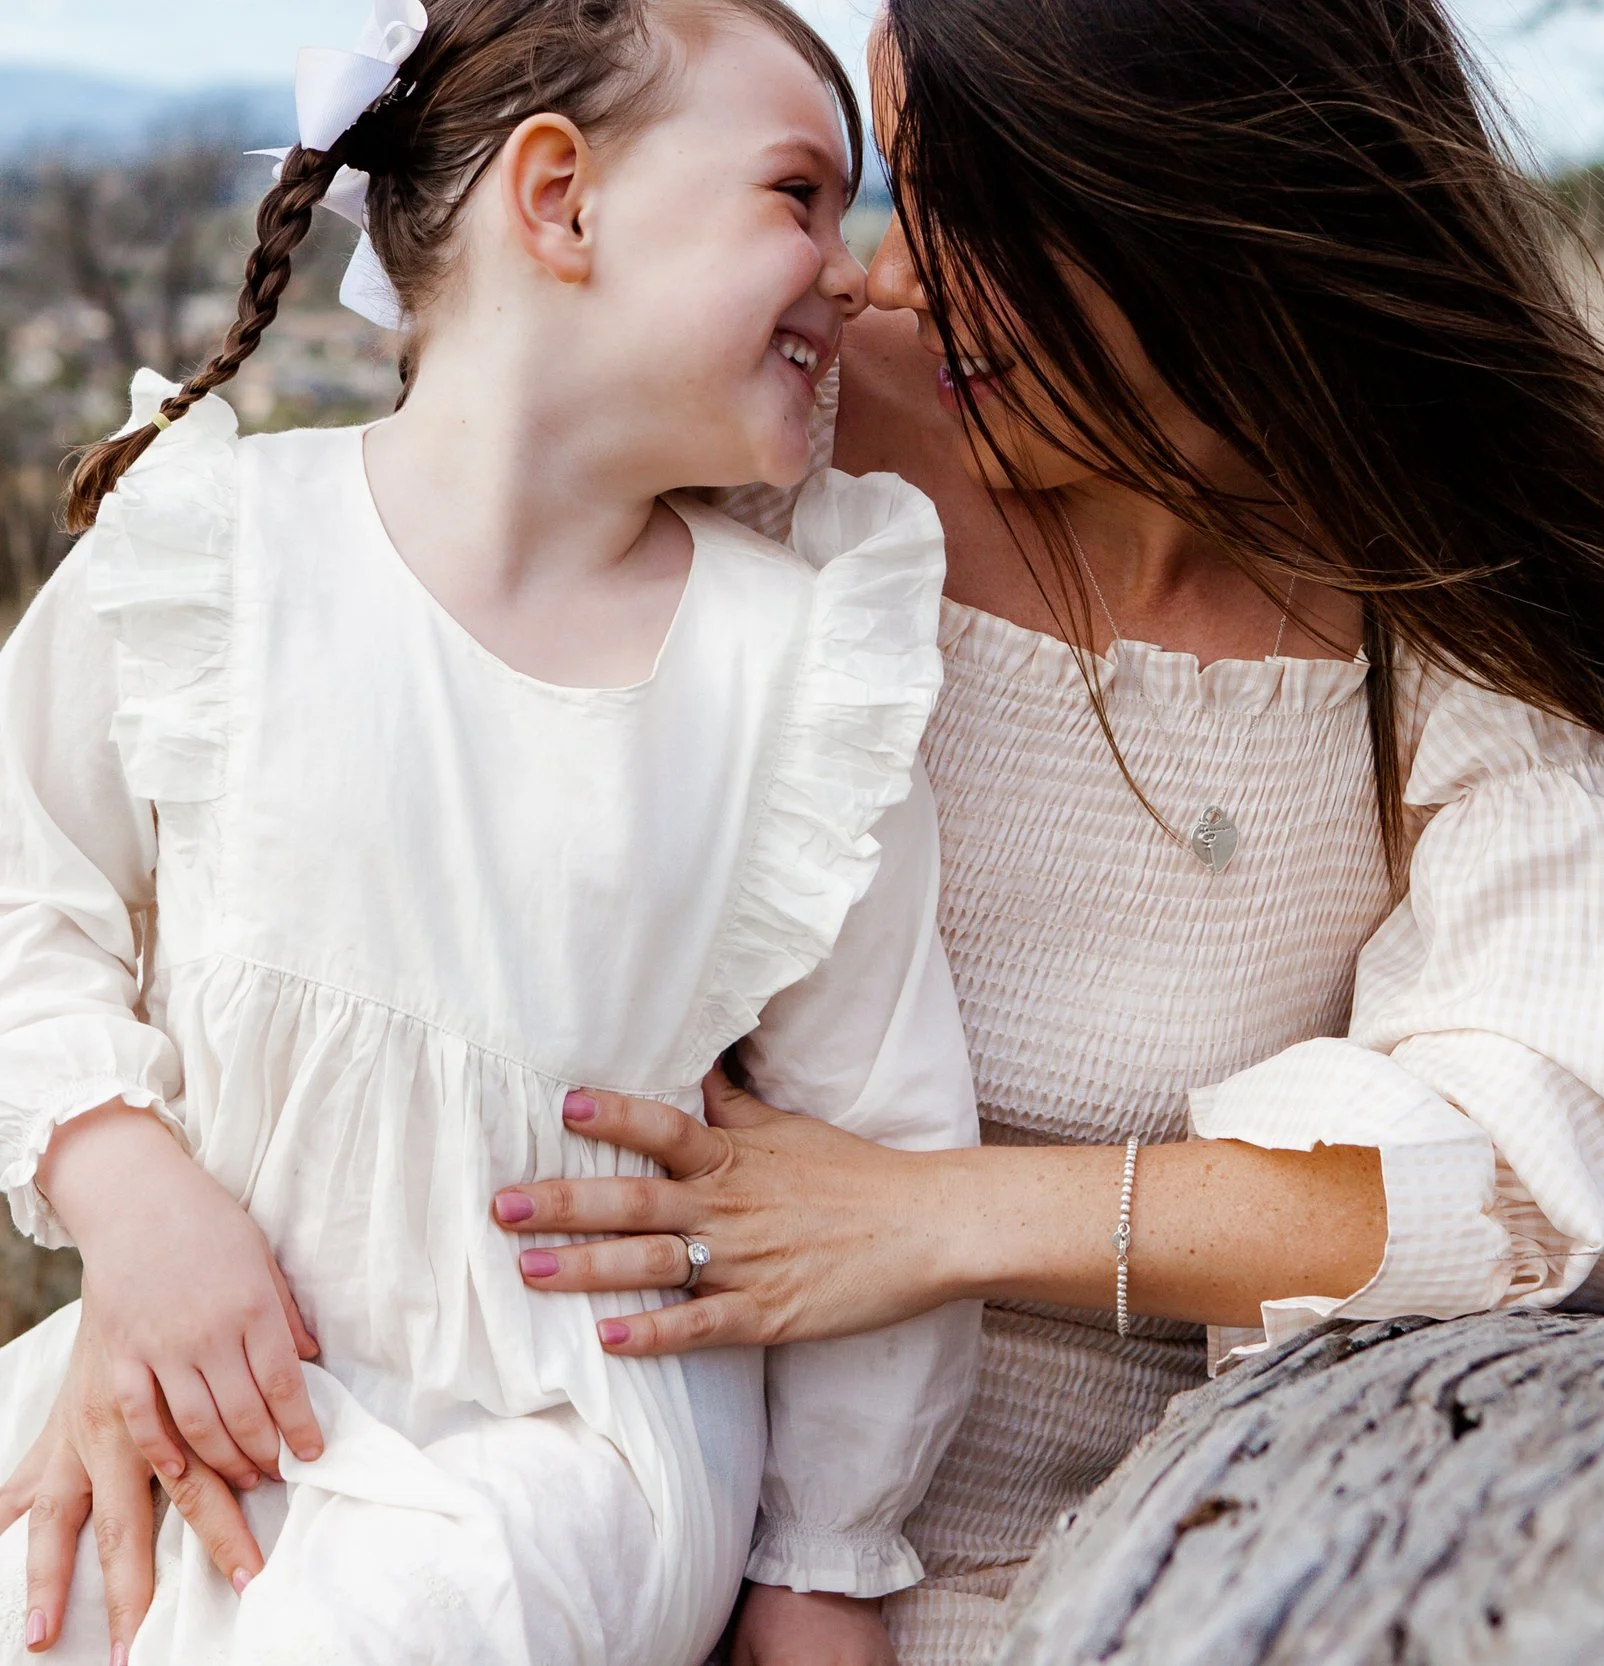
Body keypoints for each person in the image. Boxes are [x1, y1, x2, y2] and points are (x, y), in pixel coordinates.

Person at [2, 0, 1604, 1662]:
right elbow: (362, 745)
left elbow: (1533, 1186)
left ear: (1175, 213)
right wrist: (148, 1243)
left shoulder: (1470, 644)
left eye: (946, 203)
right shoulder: (792, 430)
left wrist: (931, 1219)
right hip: (496, 1445)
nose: (881, 278)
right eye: (847, 188)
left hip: (1106, 1557)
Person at [0, 1, 979, 1661]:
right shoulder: (215, 551)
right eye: (800, 196)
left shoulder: (795, 670)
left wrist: (823, 1561)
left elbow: (887, 1160)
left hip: (561, 1451)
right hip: (191, 1379)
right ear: (561, 200)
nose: (858, 268)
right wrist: (131, 1194)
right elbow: (24, 893)